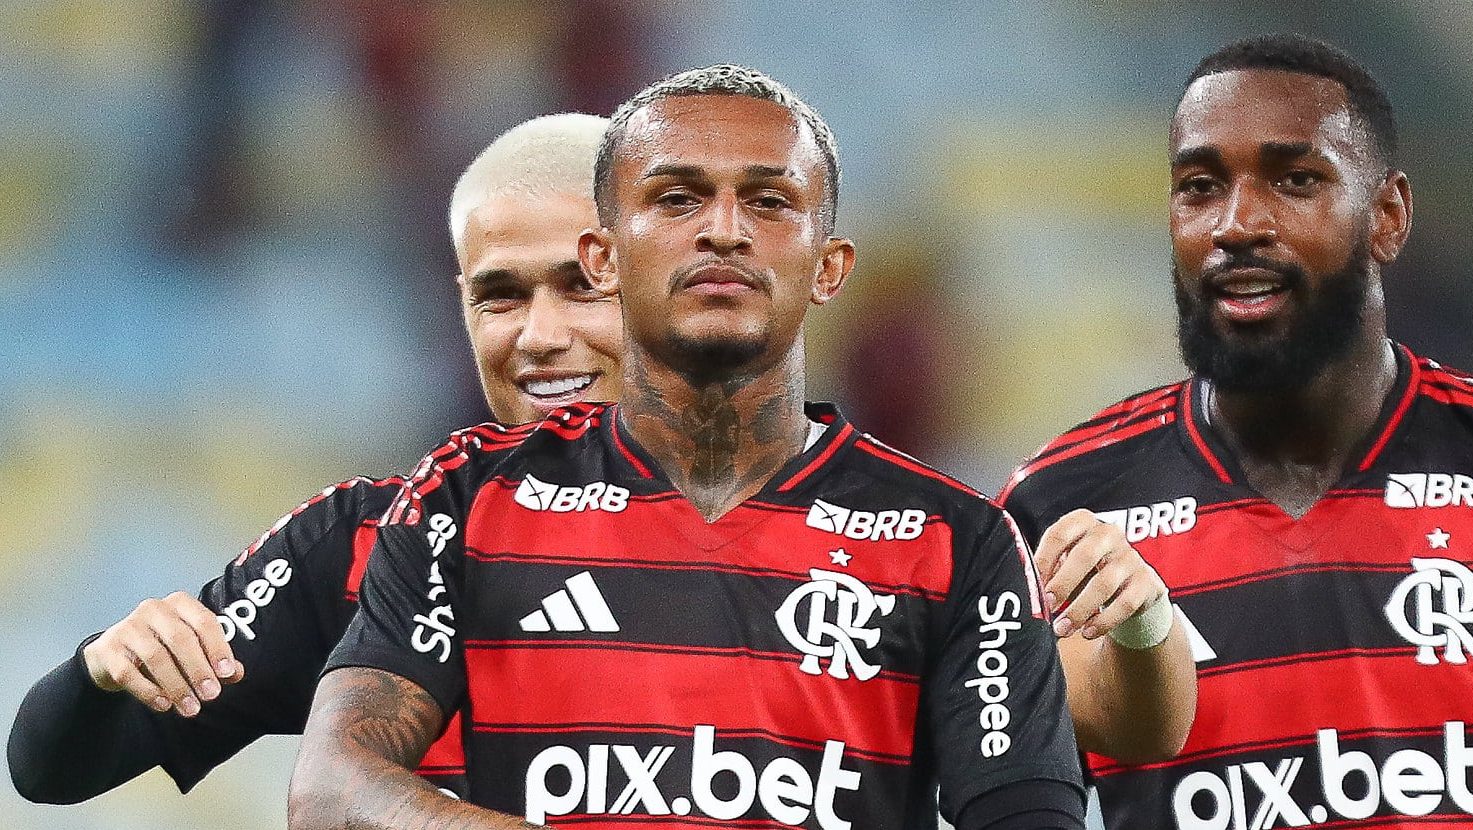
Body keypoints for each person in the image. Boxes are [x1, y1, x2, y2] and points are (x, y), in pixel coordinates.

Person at [288, 65, 1089, 830]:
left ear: (830, 267)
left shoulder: (957, 541)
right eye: (678, 199)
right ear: (603, 258)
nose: (724, 231)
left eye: (770, 202)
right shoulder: (465, 499)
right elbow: (333, 791)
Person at [7, 113, 622, 804]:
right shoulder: (365, 542)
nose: (540, 335)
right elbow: (50, 767)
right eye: (502, 294)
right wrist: (103, 667)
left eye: (585, 286)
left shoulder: (765, 532)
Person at [1000, 34, 1473, 829]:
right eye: (1199, 186)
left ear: (1387, 216)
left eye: (1296, 180)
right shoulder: (1060, 508)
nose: (1238, 223)